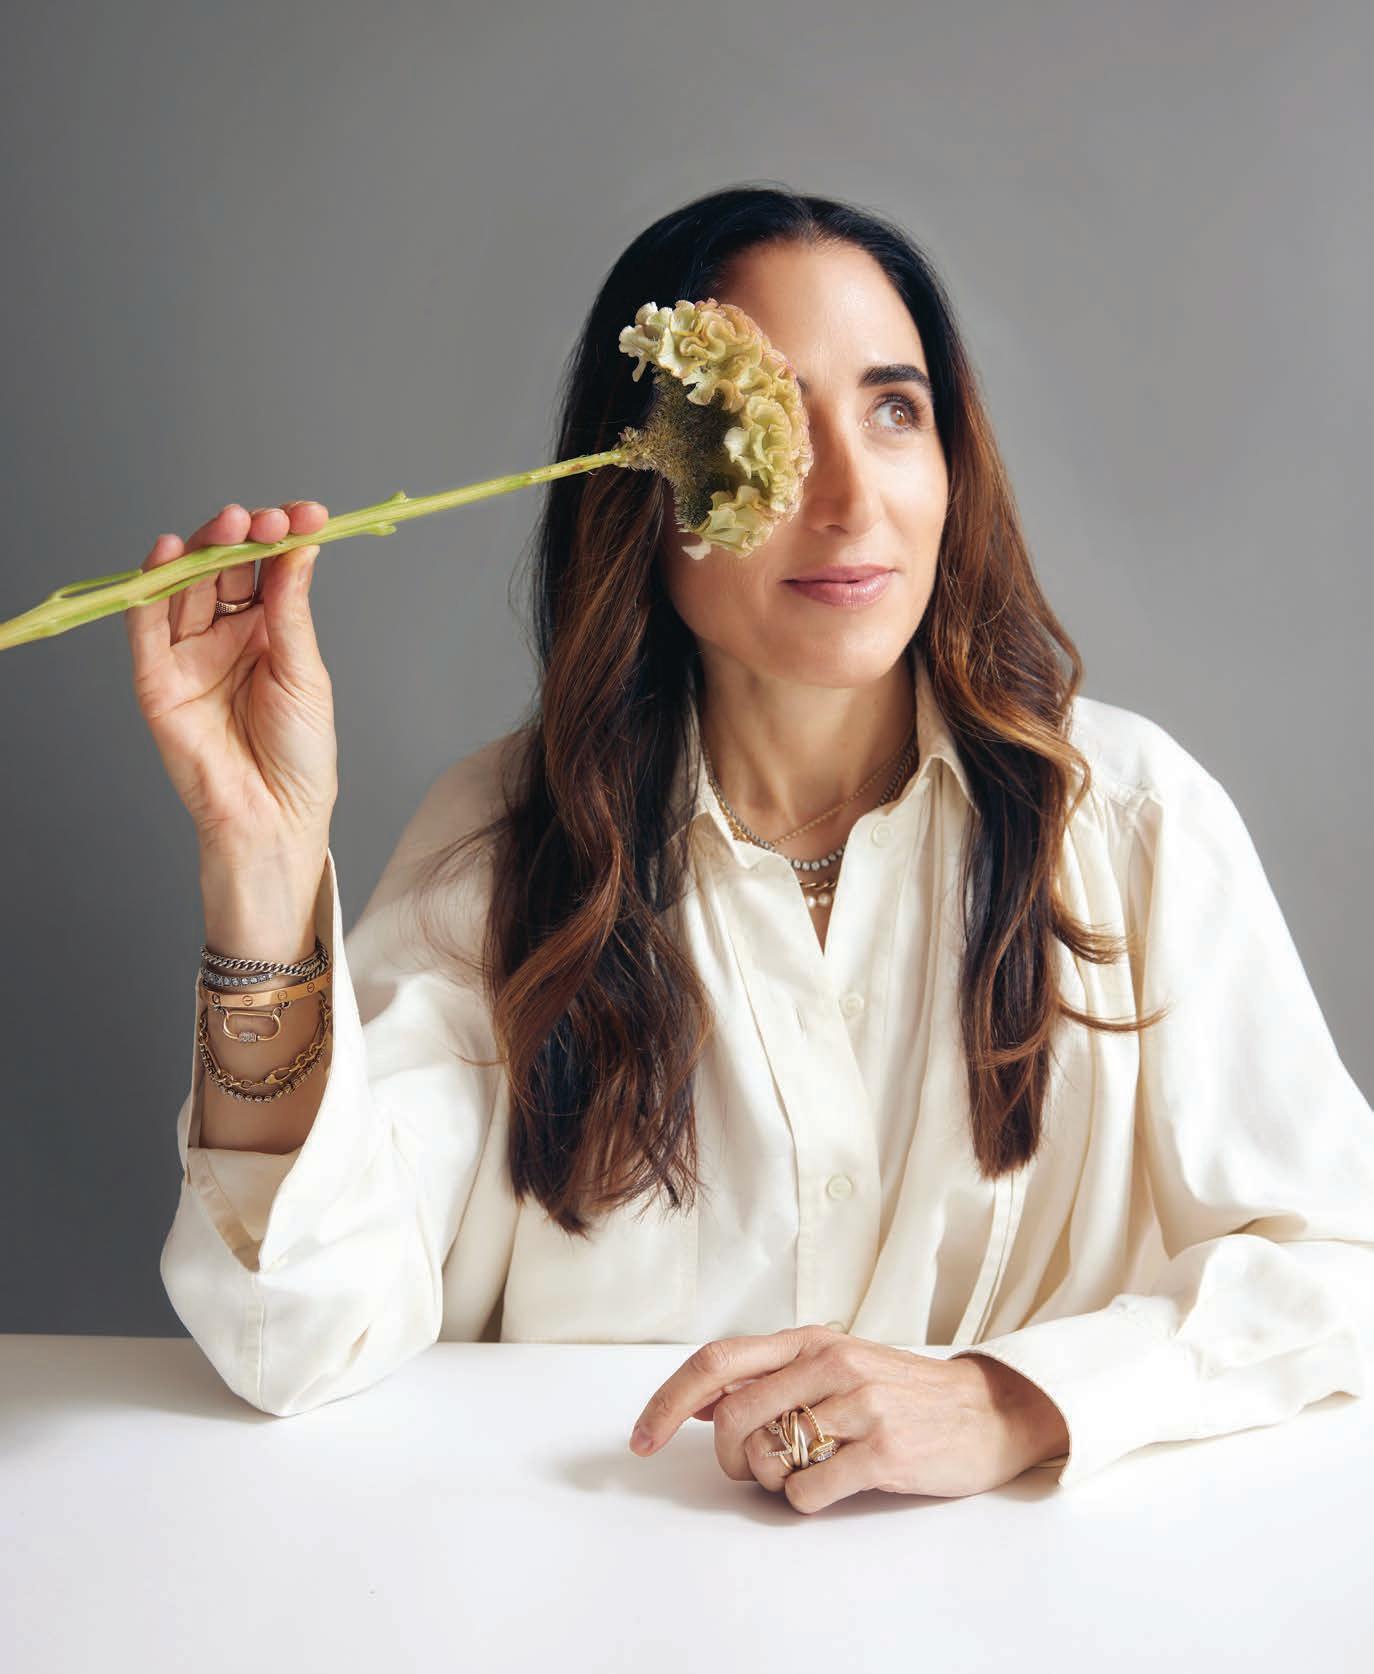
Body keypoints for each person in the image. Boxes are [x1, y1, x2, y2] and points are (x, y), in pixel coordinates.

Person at [126, 184, 1374, 1508]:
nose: (847, 497)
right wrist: (262, 868)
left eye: (893, 411)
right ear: (638, 486)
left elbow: (1343, 1265)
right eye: (755, 420)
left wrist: (1006, 1399)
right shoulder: (509, 850)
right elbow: (293, 1330)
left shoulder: (1128, 819)